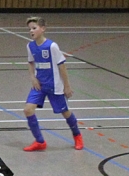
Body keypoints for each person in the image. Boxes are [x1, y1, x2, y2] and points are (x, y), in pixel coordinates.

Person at [21, 16, 84, 151]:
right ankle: (40, 141)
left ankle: (77, 135)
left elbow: (62, 66)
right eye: (29, 29)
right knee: (28, 110)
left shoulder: (52, 46)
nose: (31, 31)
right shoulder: (30, 46)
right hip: (39, 85)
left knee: (65, 112)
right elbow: (31, 62)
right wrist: (32, 77)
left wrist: (67, 86)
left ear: (43, 29)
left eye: (34, 28)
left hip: (54, 85)